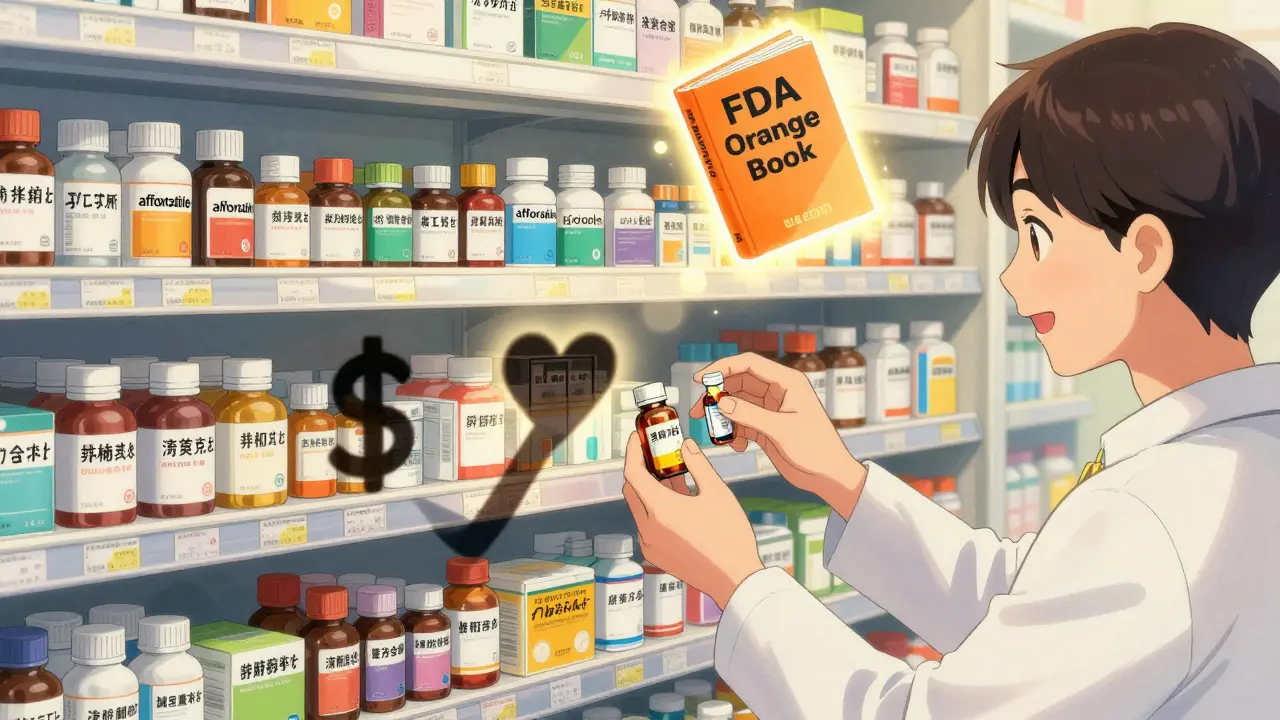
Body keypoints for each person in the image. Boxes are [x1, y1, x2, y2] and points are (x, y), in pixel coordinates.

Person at [622, 24, 1280, 718]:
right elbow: (1031, 607)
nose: (1012, 275)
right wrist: (837, 477)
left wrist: (736, 578)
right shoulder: (1243, 458)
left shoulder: (1157, 513)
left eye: (1037, 234)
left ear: (1145, 252)